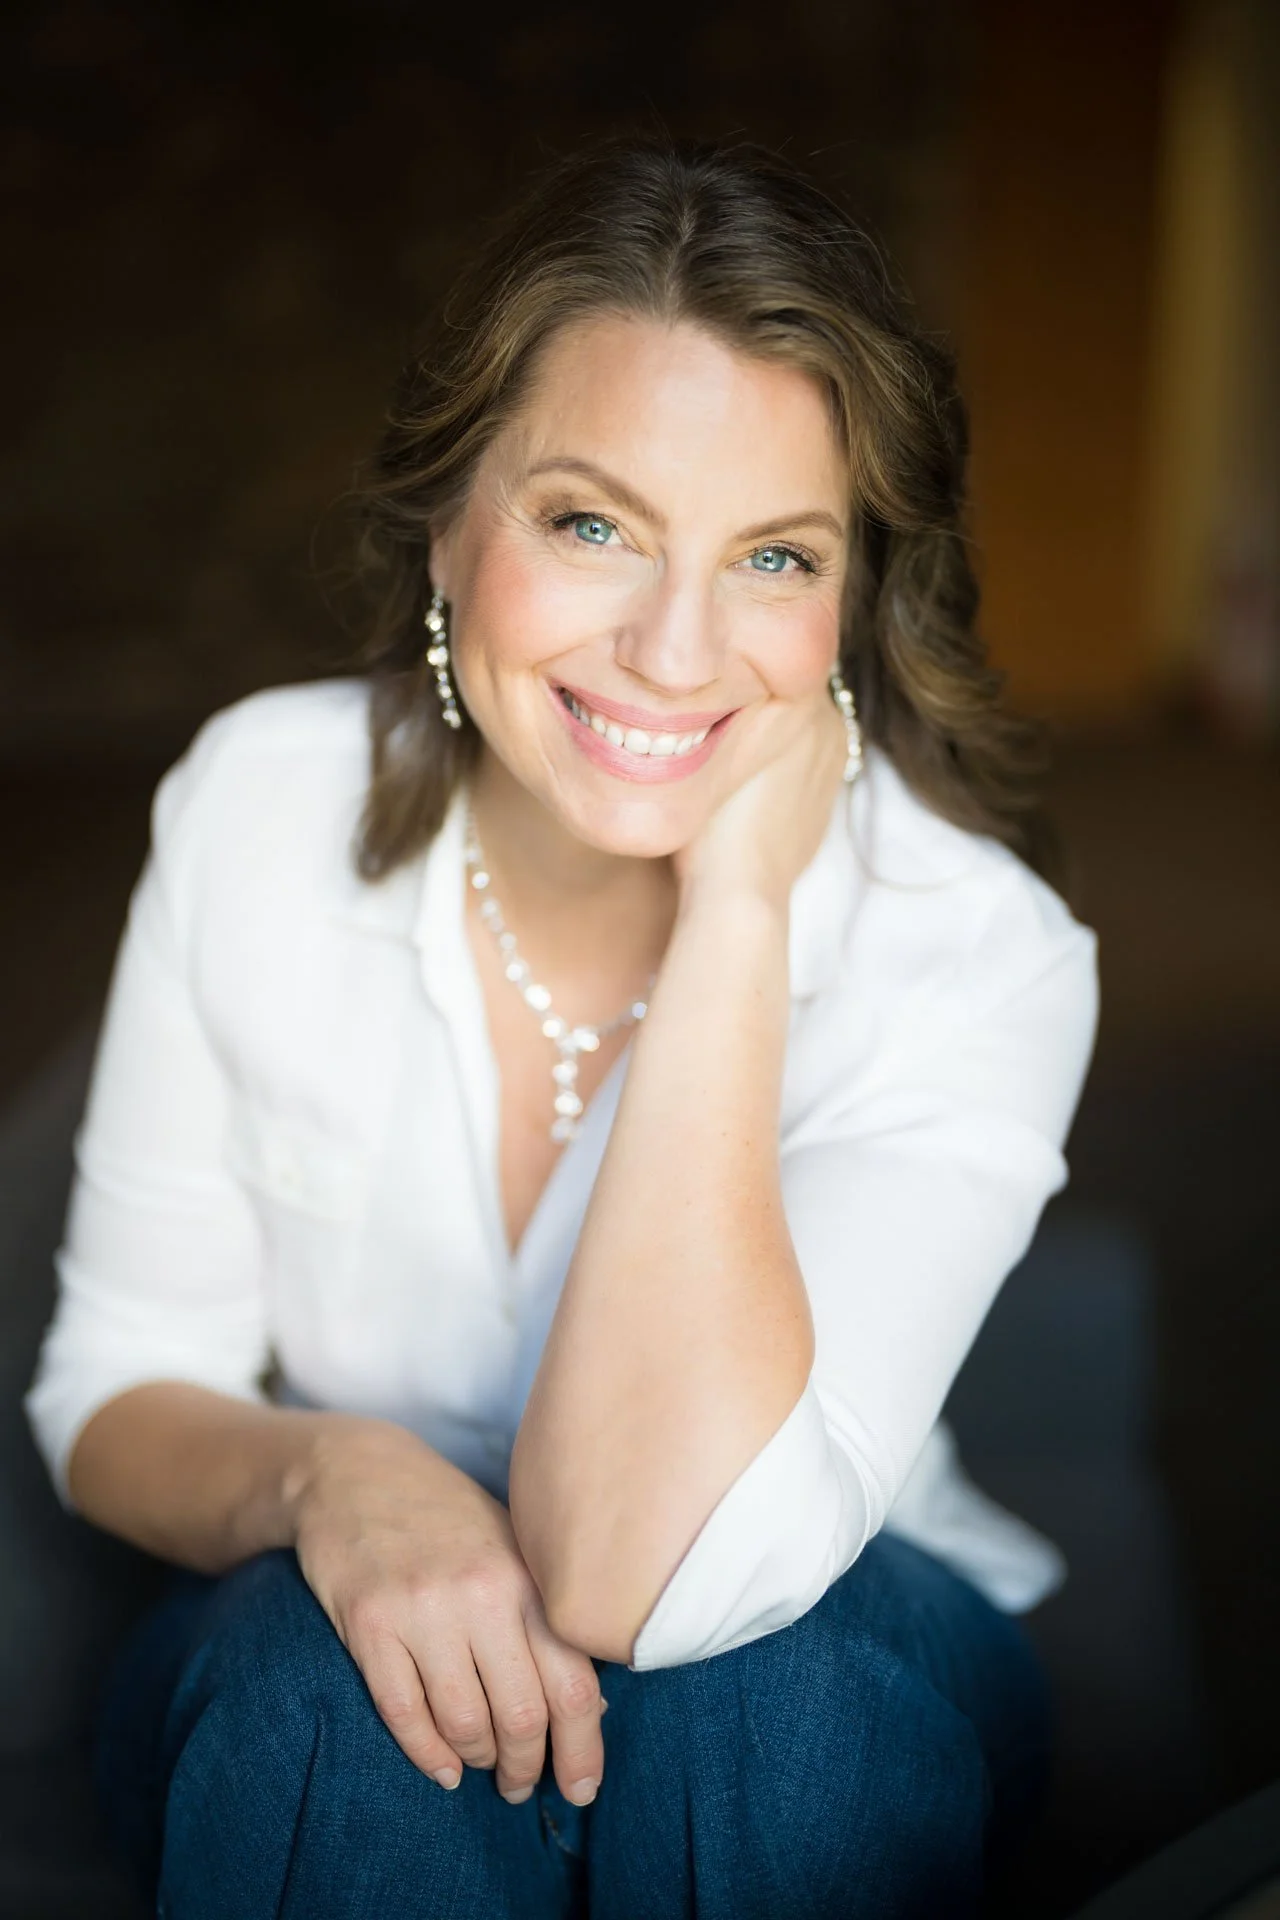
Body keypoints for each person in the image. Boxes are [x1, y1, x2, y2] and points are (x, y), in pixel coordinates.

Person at [24, 135, 1099, 1919]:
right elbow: (117, 1381)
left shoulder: (979, 951)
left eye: (774, 556)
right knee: (330, 1709)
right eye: (592, 524)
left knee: (770, 1707)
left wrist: (736, 914)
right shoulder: (259, 803)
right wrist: (336, 1476)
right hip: (323, 1630)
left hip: (832, 1626)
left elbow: (641, 1572)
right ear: (451, 523)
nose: (675, 651)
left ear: (852, 599)